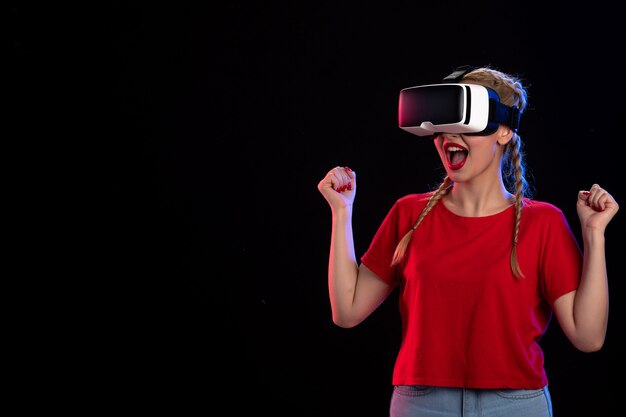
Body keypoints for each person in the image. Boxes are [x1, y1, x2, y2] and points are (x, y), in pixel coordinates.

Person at [317, 65, 619, 417]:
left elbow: (588, 337)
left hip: (516, 405)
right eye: (442, 128)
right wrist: (342, 213)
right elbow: (347, 311)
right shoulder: (408, 214)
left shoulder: (544, 222)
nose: (448, 137)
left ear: (503, 131)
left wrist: (594, 235)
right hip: (421, 404)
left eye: (464, 125)